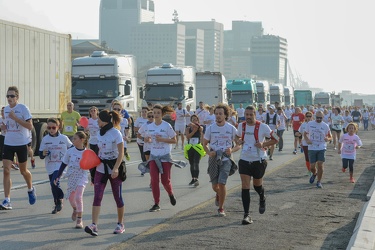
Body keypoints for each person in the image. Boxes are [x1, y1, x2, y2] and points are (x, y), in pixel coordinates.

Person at [85, 109, 125, 236]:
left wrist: (116, 168)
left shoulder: (116, 133)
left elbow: (121, 153)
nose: (97, 121)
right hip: (101, 167)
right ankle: (94, 225)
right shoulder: (98, 133)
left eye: (99, 120)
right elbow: (97, 151)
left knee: (117, 197)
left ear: (104, 121)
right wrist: (92, 168)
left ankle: (120, 224)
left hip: (114, 167)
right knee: (97, 196)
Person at [236, 105, 278, 224]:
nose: (248, 117)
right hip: (244, 159)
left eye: (251, 115)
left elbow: (276, 138)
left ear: (255, 115)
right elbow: (237, 136)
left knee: (257, 186)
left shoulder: (263, 127)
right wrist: (238, 141)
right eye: (246, 115)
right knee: (245, 186)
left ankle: (262, 197)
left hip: (258, 160)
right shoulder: (241, 125)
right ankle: (246, 215)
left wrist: (264, 144)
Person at [0, 86, 36, 210]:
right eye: (8, 96)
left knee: (23, 171)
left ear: (17, 97)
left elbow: (30, 126)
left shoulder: (23, 108)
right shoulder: (5, 110)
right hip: (9, 143)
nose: (9, 98)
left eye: (12, 96)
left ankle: (30, 188)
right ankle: (7, 200)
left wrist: (15, 118)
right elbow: (5, 126)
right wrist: (3, 127)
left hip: (21, 143)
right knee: (6, 170)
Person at [138, 105, 179, 212]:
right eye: (154, 113)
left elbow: (174, 140)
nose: (155, 115)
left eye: (158, 113)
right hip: (154, 156)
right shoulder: (149, 126)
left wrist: (162, 139)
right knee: (154, 180)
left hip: (165, 156)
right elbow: (139, 134)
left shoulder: (167, 126)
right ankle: (156, 203)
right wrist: (145, 139)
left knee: (165, 181)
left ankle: (170, 194)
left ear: (162, 114)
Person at [202, 104, 239, 217]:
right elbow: (204, 144)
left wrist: (232, 150)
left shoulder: (231, 128)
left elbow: (239, 144)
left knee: (222, 183)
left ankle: (221, 208)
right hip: (214, 158)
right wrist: (209, 152)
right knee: (215, 186)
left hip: (226, 158)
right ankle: (219, 194)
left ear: (225, 115)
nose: (218, 116)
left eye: (220, 114)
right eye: (216, 114)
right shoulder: (211, 128)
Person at [54, 131, 88, 229]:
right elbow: (63, 164)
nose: (73, 140)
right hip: (72, 175)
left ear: (82, 140)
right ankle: (75, 209)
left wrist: (94, 179)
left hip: (82, 176)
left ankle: (79, 220)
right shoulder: (70, 151)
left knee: (78, 197)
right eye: (73, 139)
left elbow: (93, 166)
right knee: (71, 198)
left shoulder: (87, 152)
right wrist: (58, 176)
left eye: (75, 139)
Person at [39, 118, 72, 214]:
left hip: (61, 165)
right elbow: (40, 154)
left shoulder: (64, 138)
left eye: (53, 127)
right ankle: (56, 202)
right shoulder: (45, 139)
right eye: (49, 128)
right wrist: (43, 153)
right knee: (52, 185)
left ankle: (60, 198)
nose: (51, 130)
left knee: (54, 181)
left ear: (58, 127)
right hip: (50, 165)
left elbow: (72, 148)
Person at [304, 111, 332, 188]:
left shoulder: (325, 126)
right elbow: (305, 133)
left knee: (320, 164)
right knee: (312, 167)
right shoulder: (310, 124)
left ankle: (319, 181)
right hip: (312, 147)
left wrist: (328, 138)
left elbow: (330, 136)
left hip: (321, 147)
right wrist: (307, 140)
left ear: (323, 118)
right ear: (315, 117)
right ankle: (314, 173)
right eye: (317, 117)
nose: (319, 119)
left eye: (320, 118)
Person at [185, 114, 205, 187]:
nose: (194, 121)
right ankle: (193, 178)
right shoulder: (188, 128)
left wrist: (195, 127)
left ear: (198, 120)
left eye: (196, 119)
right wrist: (193, 131)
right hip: (190, 147)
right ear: (191, 120)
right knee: (191, 163)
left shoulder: (200, 127)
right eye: (193, 119)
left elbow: (200, 128)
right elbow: (187, 136)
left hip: (197, 147)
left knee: (196, 163)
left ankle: (196, 179)